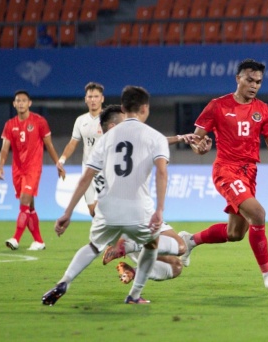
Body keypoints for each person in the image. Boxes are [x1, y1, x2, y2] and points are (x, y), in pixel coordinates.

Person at [178, 58, 268, 291]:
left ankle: (189, 240)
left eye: (259, 82)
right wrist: (199, 148)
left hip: (249, 174)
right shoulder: (217, 106)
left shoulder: (263, 110)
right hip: (226, 170)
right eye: (250, 80)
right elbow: (197, 139)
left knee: (235, 234)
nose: (254, 86)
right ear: (238, 79)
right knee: (259, 214)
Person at [42, 86, 170, 305]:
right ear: (145, 108)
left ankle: (65, 281)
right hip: (138, 208)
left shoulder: (107, 138)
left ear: (123, 107)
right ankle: (134, 295)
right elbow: (161, 171)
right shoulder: (155, 137)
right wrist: (159, 209)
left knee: (93, 246)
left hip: (107, 207)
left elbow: (86, 177)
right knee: (151, 245)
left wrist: (67, 212)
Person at [98, 104, 207, 284]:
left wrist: (180, 138)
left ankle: (132, 270)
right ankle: (128, 246)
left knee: (176, 266)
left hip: (131, 216)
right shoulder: (114, 147)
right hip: (135, 216)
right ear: (112, 127)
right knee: (180, 246)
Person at [0, 90, 65, 251]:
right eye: (18, 101)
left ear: (30, 103)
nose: (20, 103)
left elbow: (49, 145)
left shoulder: (39, 121)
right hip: (17, 170)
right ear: (14, 104)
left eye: (23, 100)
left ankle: (16, 239)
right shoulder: (10, 125)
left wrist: (58, 163)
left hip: (33, 169)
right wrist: (0, 166)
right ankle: (39, 241)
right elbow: (5, 149)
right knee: (30, 208)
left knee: (24, 202)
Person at [56, 82, 106, 217]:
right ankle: (107, 237)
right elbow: (73, 143)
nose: (93, 100)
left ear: (102, 99)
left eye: (96, 96)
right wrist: (62, 160)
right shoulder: (80, 120)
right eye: (90, 97)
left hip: (104, 170)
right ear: (85, 99)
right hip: (87, 170)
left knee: (102, 210)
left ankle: (104, 237)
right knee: (92, 211)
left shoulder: (109, 119)